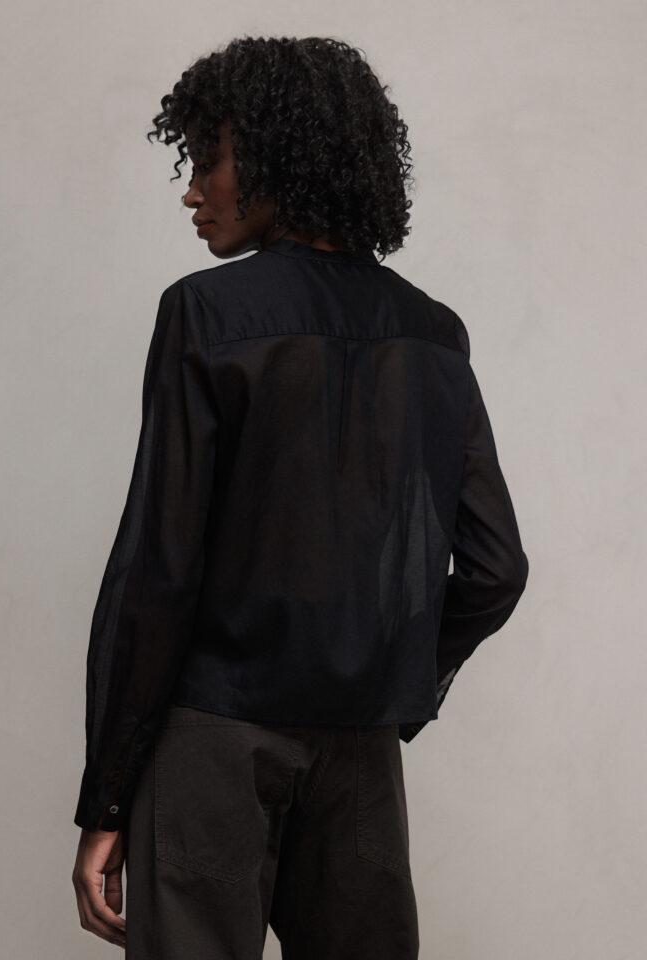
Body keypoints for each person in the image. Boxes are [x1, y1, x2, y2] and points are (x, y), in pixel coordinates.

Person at [71, 35, 529, 959]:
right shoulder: (434, 335)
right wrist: (390, 680)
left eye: (208, 160)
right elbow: (495, 570)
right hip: (361, 749)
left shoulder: (207, 313)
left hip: (212, 742)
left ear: (275, 159)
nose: (193, 190)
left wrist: (106, 800)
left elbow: (159, 570)